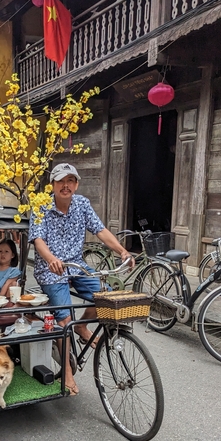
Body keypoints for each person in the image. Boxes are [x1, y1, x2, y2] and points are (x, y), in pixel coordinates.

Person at [29, 162, 135, 396]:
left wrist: (122, 251)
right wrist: (51, 259)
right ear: (53, 185)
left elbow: (100, 230)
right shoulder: (41, 206)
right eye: (60, 181)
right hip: (51, 269)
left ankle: (84, 326)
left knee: (107, 296)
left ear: (76, 184)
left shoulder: (82, 204)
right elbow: (38, 240)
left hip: (77, 266)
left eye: (70, 181)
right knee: (64, 320)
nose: (65, 186)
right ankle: (66, 372)